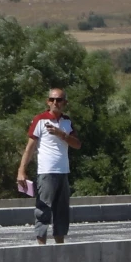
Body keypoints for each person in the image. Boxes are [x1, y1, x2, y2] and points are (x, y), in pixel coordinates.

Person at [17, 88, 81, 245]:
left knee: (62, 211)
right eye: (52, 100)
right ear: (47, 101)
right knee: (43, 209)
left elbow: (77, 145)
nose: (55, 103)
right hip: (46, 172)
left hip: (63, 172)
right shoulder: (40, 120)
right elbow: (30, 147)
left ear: (64, 103)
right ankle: (41, 245)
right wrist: (21, 170)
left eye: (59, 100)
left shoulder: (67, 122)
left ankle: (60, 245)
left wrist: (62, 134)